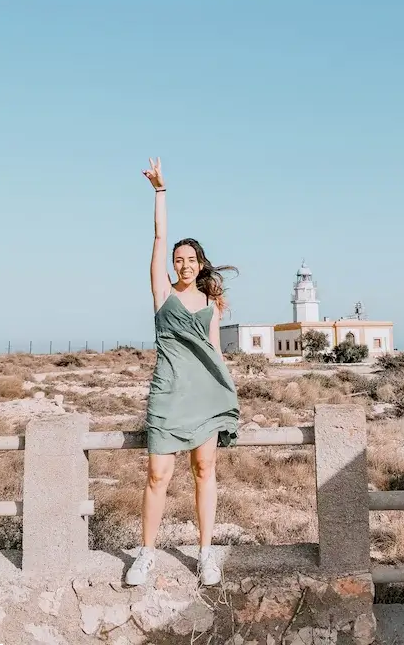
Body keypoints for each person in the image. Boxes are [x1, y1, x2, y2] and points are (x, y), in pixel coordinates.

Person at [125, 157, 240, 587]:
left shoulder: (210, 306)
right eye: (179, 258)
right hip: (168, 394)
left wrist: (230, 393)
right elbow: (158, 236)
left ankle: (206, 553)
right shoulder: (161, 293)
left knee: (204, 471)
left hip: (205, 398)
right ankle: (146, 554)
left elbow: (215, 353)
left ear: (200, 263)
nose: (184, 263)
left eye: (191, 258)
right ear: (173, 264)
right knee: (157, 475)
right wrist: (160, 191)